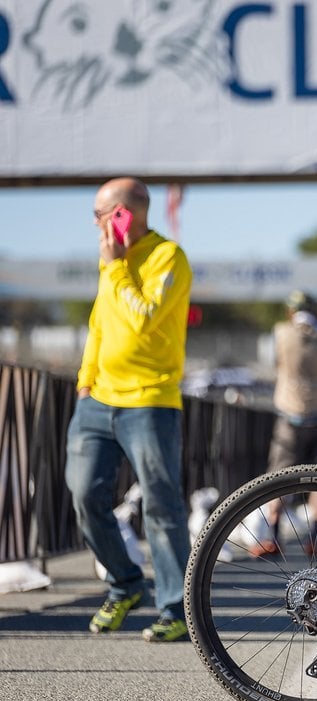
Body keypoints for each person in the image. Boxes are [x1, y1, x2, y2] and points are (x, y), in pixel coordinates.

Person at [64, 177, 193, 643]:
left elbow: (141, 319)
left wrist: (117, 268)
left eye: (101, 214)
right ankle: (124, 584)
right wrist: (84, 382)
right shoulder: (111, 260)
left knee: (162, 505)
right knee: (83, 493)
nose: (95, 223)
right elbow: (101, 323)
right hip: (97, 400)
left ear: (123, 214)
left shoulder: (167, 257)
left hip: (150, 401)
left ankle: (176, 608)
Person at [251, 290, 317, 559]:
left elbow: (273, 362)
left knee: (279, 476)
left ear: (290, 311)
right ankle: (314, 537)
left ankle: (274, 536)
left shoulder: (279, 332)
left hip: (289, 413)